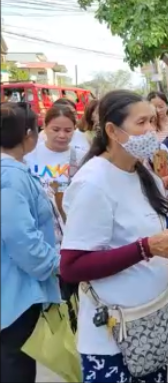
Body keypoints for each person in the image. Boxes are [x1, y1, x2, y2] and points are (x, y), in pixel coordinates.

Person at [59, 90, 168, 383]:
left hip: (152, 323)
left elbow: (155, 225)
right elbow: (72, 267)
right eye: (141, 123)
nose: (151, 131)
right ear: (112, 130)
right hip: (113, 338)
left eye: (153, 120)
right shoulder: (93, 183)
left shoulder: (143, 174)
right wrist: (145, 248)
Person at [1, 102, 62, 382]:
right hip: (15, 292)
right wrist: (55, 265)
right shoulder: (11, 176)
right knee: (16, 366)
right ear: (28, 135)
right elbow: (20, 237)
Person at [26, 104, 88, 194]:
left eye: (68, 131)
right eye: (55, 130)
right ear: (45, 127)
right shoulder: (29, 154)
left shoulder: (82, 158)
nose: (62, 135)